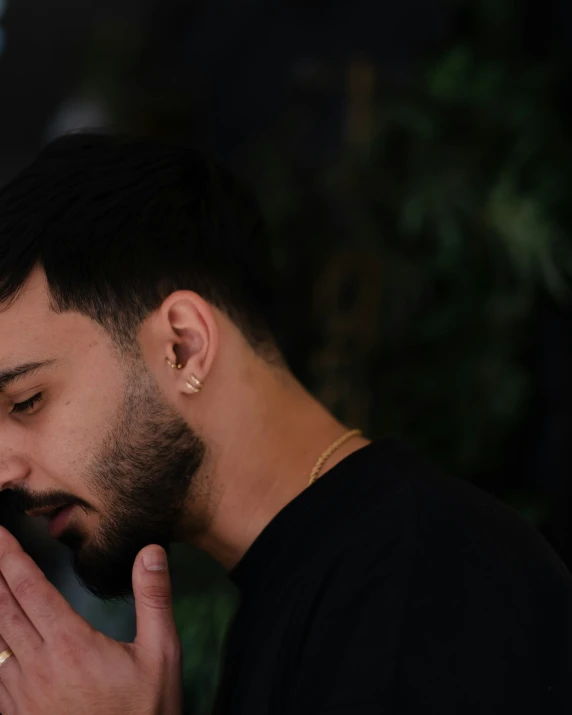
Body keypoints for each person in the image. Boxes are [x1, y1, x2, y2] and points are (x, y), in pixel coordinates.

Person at [0, 132, 570, 715]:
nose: (2, 472)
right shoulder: (318, 589)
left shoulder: (420, 580)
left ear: (183, 346)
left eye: (26, 401)